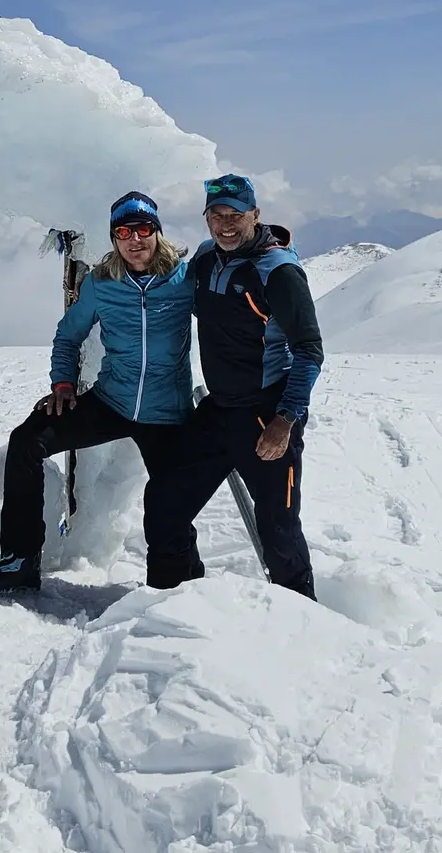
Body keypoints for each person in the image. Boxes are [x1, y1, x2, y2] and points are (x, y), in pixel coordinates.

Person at [0, 191, 194, 594]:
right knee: (27, 441)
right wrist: (62, 383)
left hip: (167, 414)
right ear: (114, 238)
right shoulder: (100, 282)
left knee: (170, 507)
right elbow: (69, 335)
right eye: (123, 232)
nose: (134, 240)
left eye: (143, 229)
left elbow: (231, 294)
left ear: (157, 232)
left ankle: (174, 591)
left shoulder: (184, 278)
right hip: (112, 401)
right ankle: (21, 558)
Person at [146, 173, 325, 599]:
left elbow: (310, 349)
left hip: (267, 415)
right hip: (218, 410)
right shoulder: (208, 257)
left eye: (235, 215)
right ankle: (175, 601)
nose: (225, 224)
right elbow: (170, 292)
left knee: (278, 529)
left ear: (255, 215)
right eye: (216, 215)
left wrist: (285, 420)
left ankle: (304, 622)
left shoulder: (278, 271)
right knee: (165, 501)